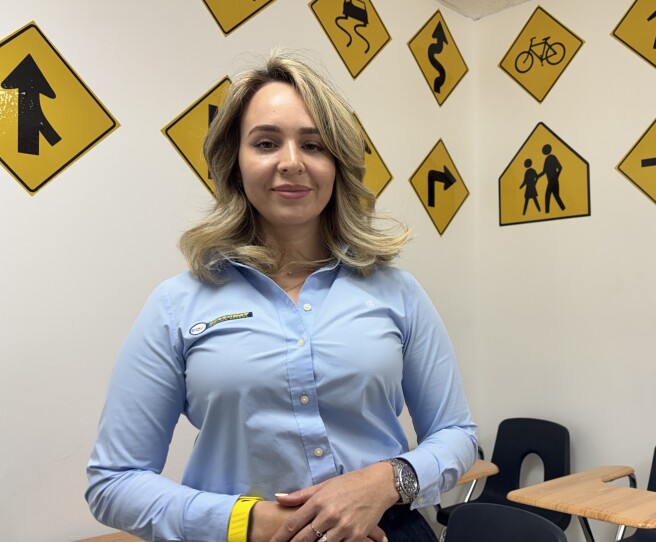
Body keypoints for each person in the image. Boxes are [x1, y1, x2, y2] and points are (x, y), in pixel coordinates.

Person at [86, 51, 478, 542]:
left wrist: (386, 480)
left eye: (313, 145)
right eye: (266, 143)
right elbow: (114, 481)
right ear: (236, 163)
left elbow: (457, 435)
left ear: (337, 164)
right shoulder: (176, 305)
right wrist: (250, 521)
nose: (291, 162)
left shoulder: (398, 292)